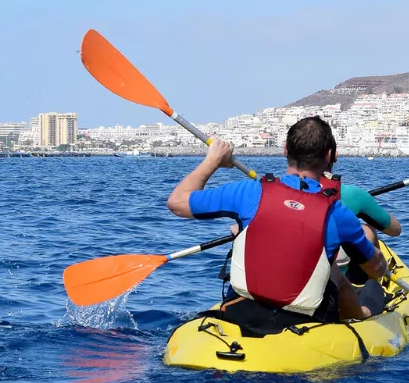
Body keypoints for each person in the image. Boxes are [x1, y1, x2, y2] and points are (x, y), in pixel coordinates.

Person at [166, 116, 387, 336]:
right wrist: (376, 258)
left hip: (240, 313)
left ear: (285, 150)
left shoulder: (249, 192)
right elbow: (374, 268)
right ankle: (363, 315)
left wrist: (213, 160)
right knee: (339, 276)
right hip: (307, 322)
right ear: (330, 156)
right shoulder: (339, 214)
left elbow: (177, 203)